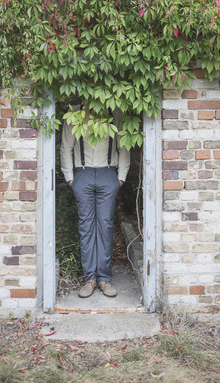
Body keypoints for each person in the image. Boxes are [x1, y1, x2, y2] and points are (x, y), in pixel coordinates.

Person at [60, 105, 130, 298]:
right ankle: (89, 279)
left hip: (108, 173)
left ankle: (104, 279)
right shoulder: (74, 113)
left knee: (105, 226)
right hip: (82, 174)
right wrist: (69, 177)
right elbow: (66, 146)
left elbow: (122, 144)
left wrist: (121, 176)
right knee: (86, 227)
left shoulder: (115, 110)